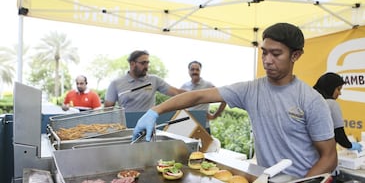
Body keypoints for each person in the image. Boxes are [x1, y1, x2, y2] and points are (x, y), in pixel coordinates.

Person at [133, 23, 338, 178]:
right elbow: (199, 95)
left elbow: (329, 156)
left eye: (276, 54)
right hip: (266, 178)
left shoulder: (311, 100)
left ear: (296, 55)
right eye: (264, 52)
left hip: (300, 179)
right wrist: (155, 111)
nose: (267, 60)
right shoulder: (250, 90)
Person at [313, 72, 362, 180]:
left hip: (309, 162)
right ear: (330, 88)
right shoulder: (331, 104)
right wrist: (350, 145)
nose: (340, 93)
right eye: (338, 89)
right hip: (326, 163)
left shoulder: (309, 101)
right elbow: (339, 134)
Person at [104, 50, 186, 112]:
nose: (146, 66)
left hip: (148, 127)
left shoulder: (154, 80)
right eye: (143, 63)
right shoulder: (115, 83)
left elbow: (176, 92)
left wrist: (197, 94)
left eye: (147, 63)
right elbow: (108, 109)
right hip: (126, 127)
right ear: (132, 64)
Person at [181, 60, 226, 133]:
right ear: (188, 71)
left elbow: (224, 99)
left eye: (197, 69)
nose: (195, 72)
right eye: (192, 69)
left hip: (204, 127)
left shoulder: (208, 85)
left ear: (200, 71)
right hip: (188, 126)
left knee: (205, 145)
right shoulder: (184, 86)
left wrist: (214, 116)